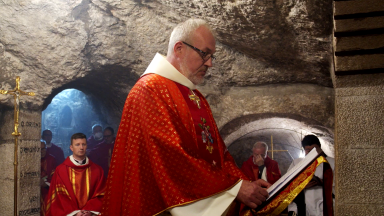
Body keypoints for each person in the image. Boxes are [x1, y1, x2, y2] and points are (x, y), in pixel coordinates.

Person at [101, 19, 271, 216]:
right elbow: (172, 158)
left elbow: (219, 156)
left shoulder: (195, 97)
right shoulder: (149, 90)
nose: (210, 63)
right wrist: (234, 188)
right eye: (204, 53)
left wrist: (243, 184)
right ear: (179, 48)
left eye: (211, 56)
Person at [45, 133, 106, 216]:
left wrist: (90, 210)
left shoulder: (97, 170)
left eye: (83, 144)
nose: (81, 147)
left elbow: (101, 194)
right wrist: (75, 212)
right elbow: (59, 197)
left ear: (86, 146)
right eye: (77, 145)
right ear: (71, 148)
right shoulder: (61, 170)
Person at [287, 135, 335, 216]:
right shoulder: (296, 163)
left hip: (325, 206)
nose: (312, 152)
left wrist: (324, 183)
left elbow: (341, 187)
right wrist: (301, 186)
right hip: (304, 207)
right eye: (308, 150)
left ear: (320, 147)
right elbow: (287, 187)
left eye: (315, 149)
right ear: (304, 150)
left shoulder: (332, 163)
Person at [40, 139, 57, 216]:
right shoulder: (31, 159)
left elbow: (55, 178)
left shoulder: (51, 159)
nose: (42, 151)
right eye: (39, 149)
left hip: (47, 191)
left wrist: (45, 184)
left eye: (43, 149)